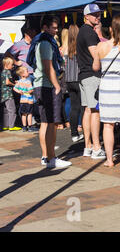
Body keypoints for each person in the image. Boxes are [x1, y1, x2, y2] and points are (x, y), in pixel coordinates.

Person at [27, 15, 71, 168]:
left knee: (46, 122)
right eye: (53, 27)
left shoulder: (41, 41)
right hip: (46, 86)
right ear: (45, 27)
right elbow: (48, 66)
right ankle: (50, 157)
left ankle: (47, 156)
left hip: (42, 85)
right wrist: (57, 85)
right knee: (50, 123)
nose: (56, 30)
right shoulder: (45, 42)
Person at [93, 28, 120, 167]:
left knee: (107, 124)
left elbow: (95, 67)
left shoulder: (101, 46)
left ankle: (109, 160)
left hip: (107, 86)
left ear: (111, 29)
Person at [77, 4, 106, 160]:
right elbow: (96, 55)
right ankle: (96, 147)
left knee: (88, 110)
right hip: (91, 75)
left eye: (99, 14)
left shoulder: (84, 31)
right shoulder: (89, 33)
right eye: (94, 14)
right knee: (95, 111)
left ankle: (88, 146)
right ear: (86, 16)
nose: (98, 17)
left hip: (84, 75)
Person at [64, 25, 84, 143]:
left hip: (68, 80)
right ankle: (85, 131)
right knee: (82, 107)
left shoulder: (65, 48)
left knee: (73, 107)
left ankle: (74, 133)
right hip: (78, 78)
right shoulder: (79, 48)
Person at [13, 66, 37, 132]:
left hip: (22, 100)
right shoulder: (28, 82)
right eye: (27, 71)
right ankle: (30, 126)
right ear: (22, 74)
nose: (28, 72)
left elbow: (14, 88)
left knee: (23, 114)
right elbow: (31, 90)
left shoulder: (19, 82)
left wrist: (19, 92)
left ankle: (24, 126)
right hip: (29, 100)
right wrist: (33, 90)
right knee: (30, 113)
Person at [1, 57, 20, 131]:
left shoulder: (2, 72)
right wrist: (14, 85)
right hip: (8, 94)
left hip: (2, 94)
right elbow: (7, 82)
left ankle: (6, 125)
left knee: (6, 111)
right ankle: (12, 126)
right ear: (7, 64)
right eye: (12, 65)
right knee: (12, 110)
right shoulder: (8, 72)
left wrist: (13, 82)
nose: (13, 66)